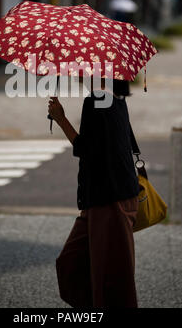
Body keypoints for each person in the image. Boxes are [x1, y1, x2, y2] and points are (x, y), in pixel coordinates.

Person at [48, 77, 140, 308]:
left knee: (110, 281)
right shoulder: (113, 95)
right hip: (102, 197)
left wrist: (61, 119)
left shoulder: (97, 99)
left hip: (110, 200)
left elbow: (85, 149)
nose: (73, 68)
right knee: (71, 264)